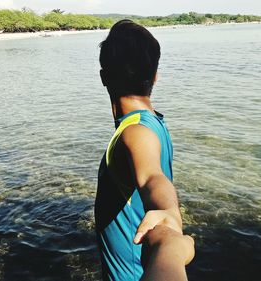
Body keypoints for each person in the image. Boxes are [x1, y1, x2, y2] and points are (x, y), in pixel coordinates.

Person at [94, 19, 192, 280]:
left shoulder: (134, 132)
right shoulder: (154, 122)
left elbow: (151, 177)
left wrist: (170, 211)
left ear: (104, 77)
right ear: (155, 76)